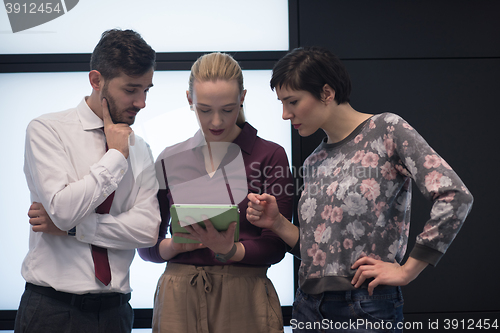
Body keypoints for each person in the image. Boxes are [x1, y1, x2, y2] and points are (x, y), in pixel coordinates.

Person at [246, 46, 474, 333]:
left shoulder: (387, 130)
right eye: (281, 103)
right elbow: (319, 253)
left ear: (326, 93)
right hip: (307, 307)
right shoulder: (314, 160)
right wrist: (277, 223)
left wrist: (407, 271)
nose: (284, 114)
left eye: (292, 101)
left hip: (365, 307)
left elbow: (455, 195)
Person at [15, 29, 161, 333]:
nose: (142, 101)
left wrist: (73, 230)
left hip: (116, 314)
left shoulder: (142, 149)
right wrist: (116, 156)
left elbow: (147, 230)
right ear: (96, 80)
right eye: (131, 89)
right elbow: (64, 209)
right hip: (51, 311)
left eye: (147, 89)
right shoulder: (47, 130)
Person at [138, 52, 294, 333]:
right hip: (178, 294)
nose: (217, 122)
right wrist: (175, 246)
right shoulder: (169, 158)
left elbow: (277, 245)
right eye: (205, 110)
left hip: (244, 295)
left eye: (228, 108)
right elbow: (146, 245)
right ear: (189, 100)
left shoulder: (270, 155)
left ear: (243, 98)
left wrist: (231, 250)